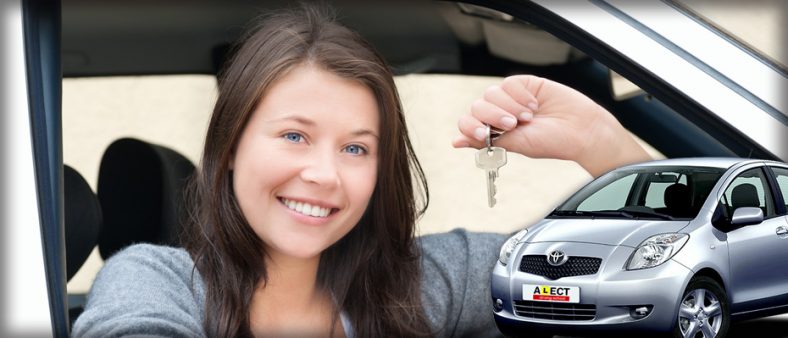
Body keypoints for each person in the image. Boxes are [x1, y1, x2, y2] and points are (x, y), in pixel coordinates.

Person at [72, 4, 651, 338]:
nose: (324, 174)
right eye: (294, 136)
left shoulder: (417, 283)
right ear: (228, 149)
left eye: (356, 149)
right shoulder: (154, 281)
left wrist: (604, 144)